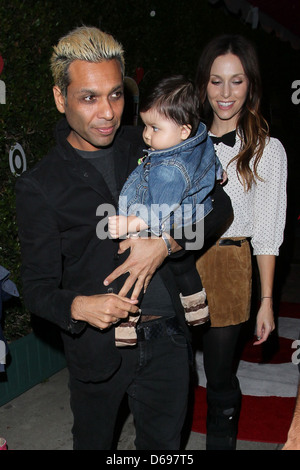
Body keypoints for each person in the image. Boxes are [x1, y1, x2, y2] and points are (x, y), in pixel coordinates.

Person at [15, 25, 194, 451]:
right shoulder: (42, 185)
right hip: (99, 350)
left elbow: (217, 208)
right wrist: (79, 305)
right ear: (61, 98)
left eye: (116, 94)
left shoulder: (150, 145)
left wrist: (166, 243)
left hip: (168, 338)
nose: (108, 112)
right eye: (89, 97)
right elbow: (37, 290)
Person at [194, 34, 287, 450]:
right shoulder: (181, 141)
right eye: (216, 81)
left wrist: (266, 301)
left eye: (237, 81)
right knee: (170, 373)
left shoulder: (267, 150)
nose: (226, 93)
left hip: (229, 266)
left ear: (250, 85)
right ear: (203, 86)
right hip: (174, 263)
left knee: (217, 375)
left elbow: (268, 232)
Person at [108, 75, 227, 346]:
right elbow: (210, 158)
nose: (146, 134)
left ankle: (126, 323)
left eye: (155, 128)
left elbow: (157, 211)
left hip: (171, 217)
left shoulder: (170, 170)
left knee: (131, 268)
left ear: (183, 131)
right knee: (183, 263)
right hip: (196, 212)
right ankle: (197, 307)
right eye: (145, 125)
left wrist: (130, 223)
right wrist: (219, 173)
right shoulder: (198, 137)